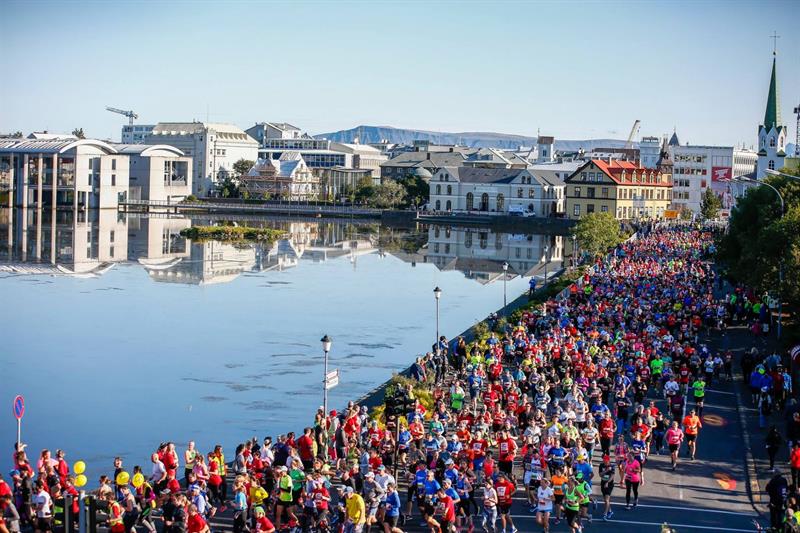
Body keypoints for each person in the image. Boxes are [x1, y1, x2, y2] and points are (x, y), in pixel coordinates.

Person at [598, 454, 615, 521]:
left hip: (609, 484)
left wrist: (607, 482)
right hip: (603, 483)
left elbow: (612, 476)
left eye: (606, 461)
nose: (604, 462)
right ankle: (610, 511)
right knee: (605, 500)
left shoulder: (612, 466)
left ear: (608, 460)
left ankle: (605, 514)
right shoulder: (601, 465)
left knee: (606, 499)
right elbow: (600, 474)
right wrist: (606, 470)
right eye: (604, 461)